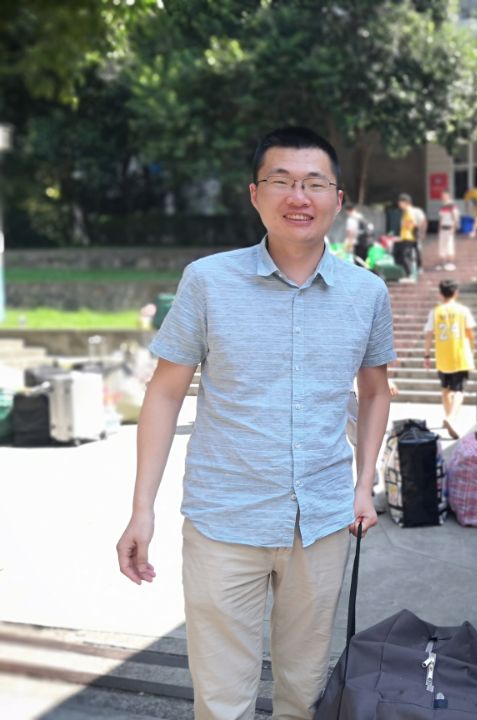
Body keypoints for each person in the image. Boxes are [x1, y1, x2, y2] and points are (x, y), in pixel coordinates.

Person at [115, 126, 396, 720]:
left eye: (314, 183)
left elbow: (375, 392)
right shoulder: (207, 281)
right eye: (281, 181)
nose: (298, 197)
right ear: (254, 193)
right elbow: (164, 393)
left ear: (338, 199)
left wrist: (363, 481)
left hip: (321, 521)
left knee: (304, 691)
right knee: (222, 700)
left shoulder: (367, 292)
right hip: (224, 519)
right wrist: (142, 508)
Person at [423, 279, 476, 439]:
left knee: (446, 390)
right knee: (459, 391)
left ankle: (450, 419)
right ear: (456, 293)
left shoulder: (435, 312)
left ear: (440, 294)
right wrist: (472, 349)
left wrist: (427, 354)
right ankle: (451, 418)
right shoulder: (462, 310)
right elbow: (470, 332)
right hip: (459, 355)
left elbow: (429, 334)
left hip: (442, 357)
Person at [395, 192, 427, 282]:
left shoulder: (410, 211)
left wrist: (421, 232)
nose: (399, 205)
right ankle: (414, 272)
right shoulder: (405, 212)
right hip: (407, 237)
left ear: (406, 202)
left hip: (410, 237)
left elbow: (413, 224)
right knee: (409, 255)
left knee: (407, 256)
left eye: (400, 202)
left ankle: (411, 274)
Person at [436, 190, 460, 271]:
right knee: (442, 246)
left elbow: (455, 217)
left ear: (449, 196)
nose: (443, 197)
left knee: (449, 245)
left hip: (449, 228)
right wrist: (439, 228)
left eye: (445, 195)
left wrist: (453, 227)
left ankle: (450, 263)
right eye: (442, 196)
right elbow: (441, 218)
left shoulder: (452, 206)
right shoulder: (442, 206)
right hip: (443, 228)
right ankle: (443, 263)